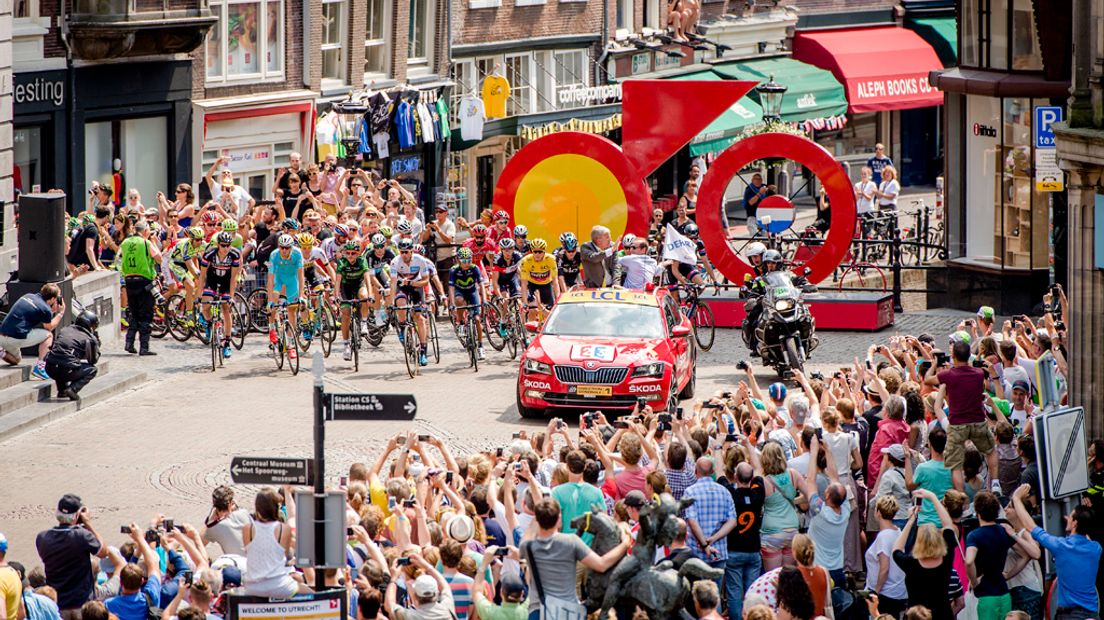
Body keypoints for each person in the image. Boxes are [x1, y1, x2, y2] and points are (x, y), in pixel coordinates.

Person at [519, 498, 631, 619]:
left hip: (538, 611)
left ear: (537, 519)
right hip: (567, 612)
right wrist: (625, 544)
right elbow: (602, 564)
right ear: (559, 519)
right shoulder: (571, 542)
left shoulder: (527, 547)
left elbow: (525, 538)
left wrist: (536, 519)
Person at [1010, 483, 1101, 620]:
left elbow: (1030, 526)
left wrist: (1016, 499)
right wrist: (1075, 524)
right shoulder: (1096, 548)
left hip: (1070, 615)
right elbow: (1085, 535)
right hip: (1092, 613)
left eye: (1071, 516)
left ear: (1075, 523)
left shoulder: (1061, 546)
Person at [924, 340, 1002, 494]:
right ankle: (995, 483)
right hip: (978, 422)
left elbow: (927, 379)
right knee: (991, 450)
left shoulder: (949, 375)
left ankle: (961, 496)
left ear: (953, 356)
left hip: (957, 424)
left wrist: (934, 365)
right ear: (969, 356)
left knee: (955, 464)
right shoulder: (979, 373)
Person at [965, 491, 1040, 620]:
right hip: (1004, 593)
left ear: (978, 512)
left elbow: (969, 561)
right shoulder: (1003, 531)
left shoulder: (974, 535)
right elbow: (1025, 556)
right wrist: (1008, 575)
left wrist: (973, 581)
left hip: (985, 596)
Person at [35, 494, 108, 619]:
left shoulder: (42, 538)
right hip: (82, 603)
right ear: (77, 515)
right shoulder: (82, 536)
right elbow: (103, 552)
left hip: (58, 603)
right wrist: (88, 523)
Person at [892, 488, 959, 620]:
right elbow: (948, 526)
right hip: (942, 615)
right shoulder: (946, 559)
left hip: (915, 616)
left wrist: (911, 520)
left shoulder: (911, 563)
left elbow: (896, 550)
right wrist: (933, 497)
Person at [242, 488, 311, 597]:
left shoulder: (247, 529)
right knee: (313, 594)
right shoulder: (283, 529)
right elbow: (286, 555)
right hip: (279, 585)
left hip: (253, 587)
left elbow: (249, 551)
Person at [721, 461, 764, 620]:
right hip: (753, 551)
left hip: (734, 551)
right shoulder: (758, 494)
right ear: (751, 478)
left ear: (734, 476)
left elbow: (720, 474)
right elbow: (758, 472)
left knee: (734, 593)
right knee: (751, 593)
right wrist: (748, 445)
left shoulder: (730, 494)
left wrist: (718, 448)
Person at [685, 457, 738, 579]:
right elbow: (732, 521)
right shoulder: (724, 491)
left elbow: (692, 521)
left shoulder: (690, 492)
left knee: (698, 594)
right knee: (715, 594)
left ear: (695, 471)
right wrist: (713, 539)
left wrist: (705, 544)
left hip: (696, 552)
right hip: (718, 551)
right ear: (713, 472)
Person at [0, 283, 65, 380]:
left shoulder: (27, 296)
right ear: (52, 299)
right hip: (16, 338)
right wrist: (60, 313)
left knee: (16, 360)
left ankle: (1, 352)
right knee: (48, 336)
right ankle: (40, 367)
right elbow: (49, 327)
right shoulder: (45, 309)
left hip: (2, 336)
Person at [118, 221, 162, 356]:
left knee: (134, 313)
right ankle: (144, 347)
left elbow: (118, 259)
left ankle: (129, 343)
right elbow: (159, 258)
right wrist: (153, 242)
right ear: (145, 231)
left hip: (129, 280)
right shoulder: (146, 243)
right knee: (146, 315)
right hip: (144, 281)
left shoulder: (125, 242)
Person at [103, 524, 161, 620]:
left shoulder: (109, 604)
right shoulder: (151, 598)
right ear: (142, 581)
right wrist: (140, 539)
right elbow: (153, 566)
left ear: (121, 582)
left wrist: (139, 542)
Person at [865, 496, 908, 618]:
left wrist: (876, 592)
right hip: (898, 591)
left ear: (878, 513)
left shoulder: (883, 537)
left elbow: (884, 568)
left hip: (886, 594)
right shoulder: (898, 532)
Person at [43, 312, 100, 401]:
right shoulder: (89, 338)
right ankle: (72, 389)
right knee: (92, 370)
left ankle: (62, 391)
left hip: (49, 368)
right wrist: (96, 345)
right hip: (66, 370)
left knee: (61, 360)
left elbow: (56, 348)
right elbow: (93, 360)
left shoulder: (65, 330)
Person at [384, 556, 453, 620]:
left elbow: (389, 606)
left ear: (415, 596)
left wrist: (394, 578)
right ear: (437, 593)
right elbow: (445, 586)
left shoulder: (409, 616)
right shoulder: (447, 609)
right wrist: (427, 566)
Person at [472, 550, 527, 620]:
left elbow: (477, 592)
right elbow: (532, 582)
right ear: (522, 594)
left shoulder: (491, 612)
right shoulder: (526, 611)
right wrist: (521, 559)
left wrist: (484, 563)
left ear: (501, 592)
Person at [202, 485, 251, 557]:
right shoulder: (244, 513)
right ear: (231, 504)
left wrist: (211, 519)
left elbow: (199, 543)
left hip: (237, 565)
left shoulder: (214, 527)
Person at [67, 208, 110, 276]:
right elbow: (89, 248)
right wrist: (96, 267)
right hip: (84, 268)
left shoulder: (90, 227)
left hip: (81, 267)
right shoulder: (93, 229)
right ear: (107, 217)